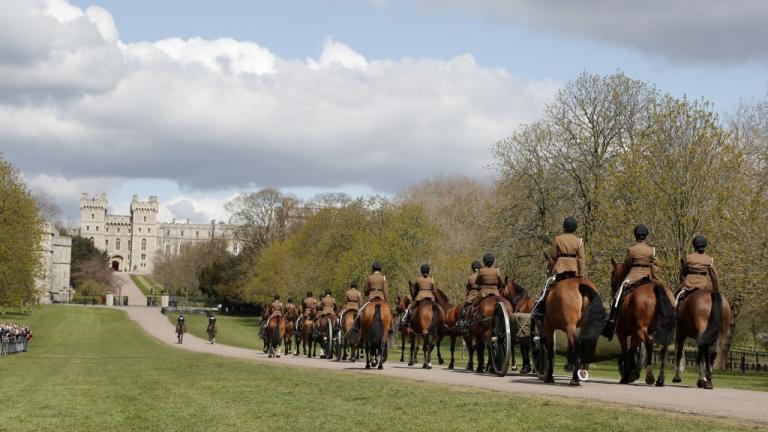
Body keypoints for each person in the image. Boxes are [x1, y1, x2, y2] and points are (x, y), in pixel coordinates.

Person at [603, 224, 660, 337]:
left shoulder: (632, 249)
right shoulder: (651, 250)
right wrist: (655, 278)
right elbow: (655, 266)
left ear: (635, 235)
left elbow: (627, 264)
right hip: (648, 276)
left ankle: (612, 320)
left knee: (618, 295)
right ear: (646, 236)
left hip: (633, 276)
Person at [533, 217, 586, 319]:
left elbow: (553, 258)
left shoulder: (558, 239)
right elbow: (581, 260)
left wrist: (549, 269)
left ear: (564, 227)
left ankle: (539, 311)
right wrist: (581, 276)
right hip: (574, 272)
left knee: (546, 289)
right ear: (575, 228)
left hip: (560, 271)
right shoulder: (579, 241)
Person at [676, 235, 719, 305]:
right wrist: (716, 289)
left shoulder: (688, 258)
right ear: (705, 246)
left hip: (689, 285)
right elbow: (714, 277)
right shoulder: (709, 259)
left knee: (676, 299)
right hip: (704, 285)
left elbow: (682, 274)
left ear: (694, 246)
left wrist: (683, 284)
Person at [352, 262, 390, 332]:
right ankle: (390, 327)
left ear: (372, 269)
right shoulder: (383, 278)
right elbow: (386, 291)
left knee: (360, 311)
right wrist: (387, 302)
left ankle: (357, 327)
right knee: (389, 312)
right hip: (381, 297)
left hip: (371, 297)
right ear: (380, 269)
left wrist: (367, 293)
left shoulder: (369, 277)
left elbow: (366, 289)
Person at [457, 260, 481, 326]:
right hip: (482, 294)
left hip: (473, 296)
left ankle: (461, 321)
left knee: (463, 307)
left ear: (472, 268)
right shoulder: (482, 275)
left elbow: (469, 288)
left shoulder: (470, 277)